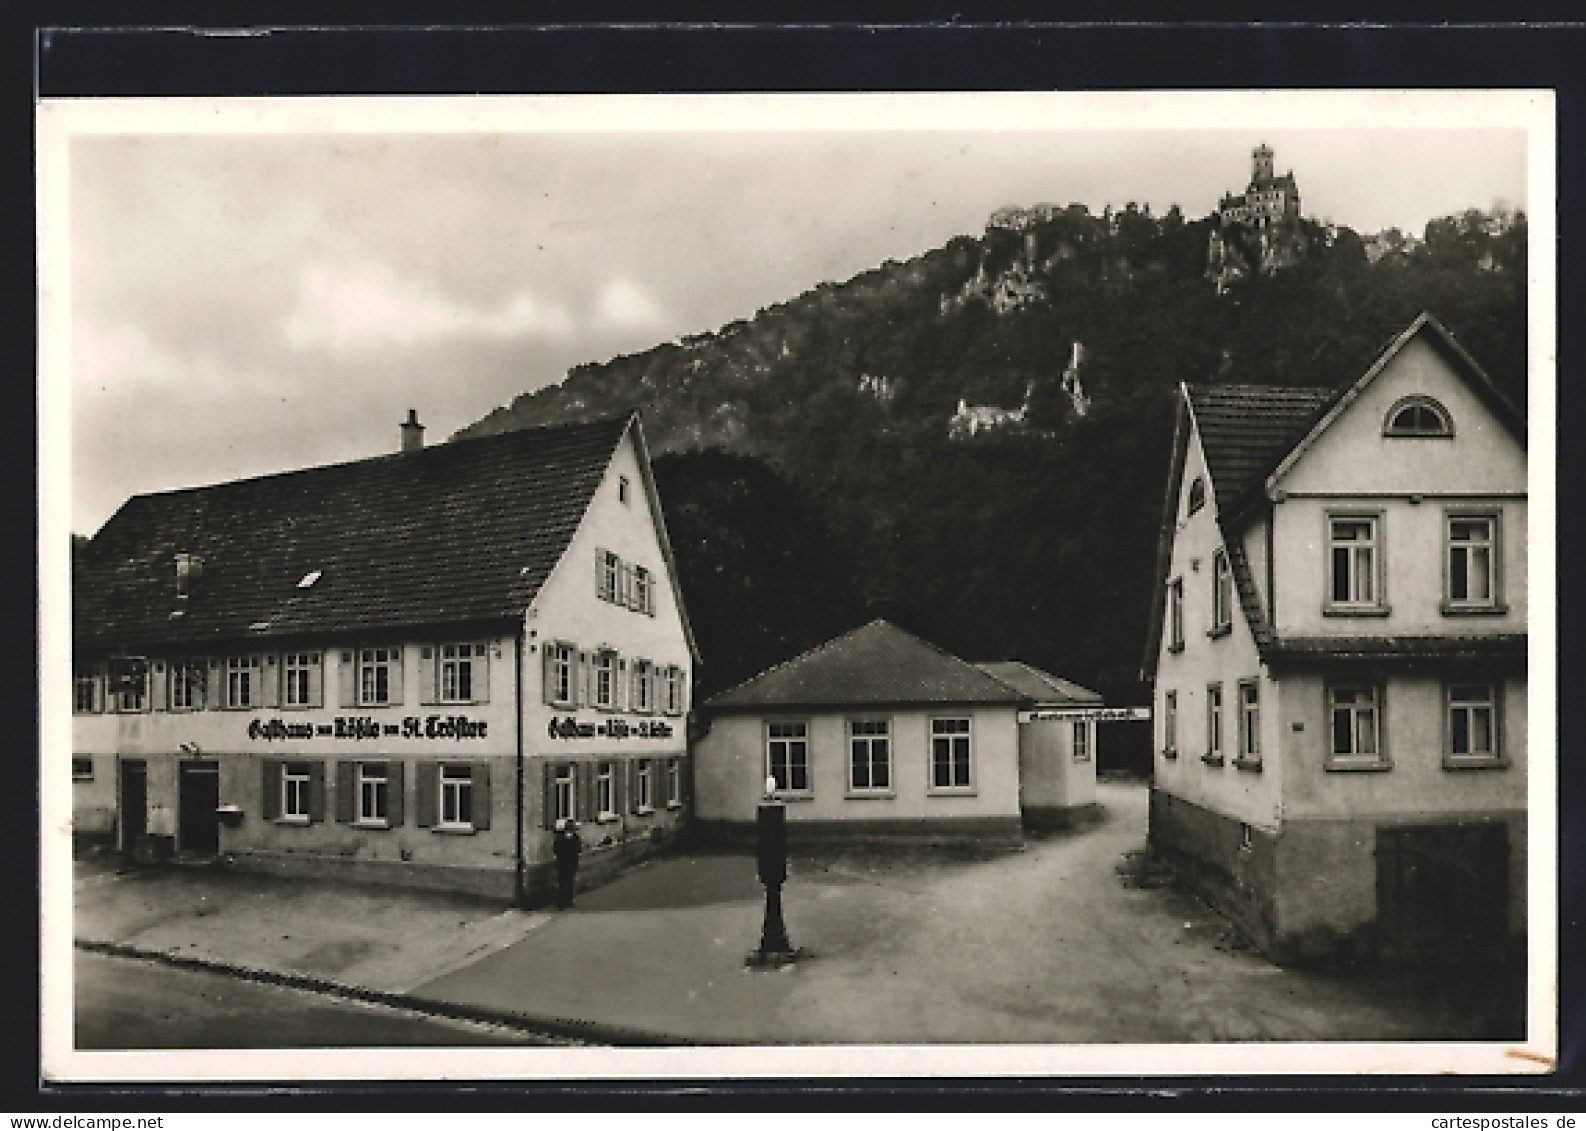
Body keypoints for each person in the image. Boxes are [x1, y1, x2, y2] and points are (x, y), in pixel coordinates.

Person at [552, 818, 582, 910]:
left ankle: (568, 901)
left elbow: (578, 848)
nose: (570, 830)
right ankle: (561, 902)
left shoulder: (575, 837)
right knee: (562, 882)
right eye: (568, 828)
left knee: (569, 882)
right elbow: (555, 849)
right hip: (563, 863)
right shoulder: (560, 838)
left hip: (571, 863)